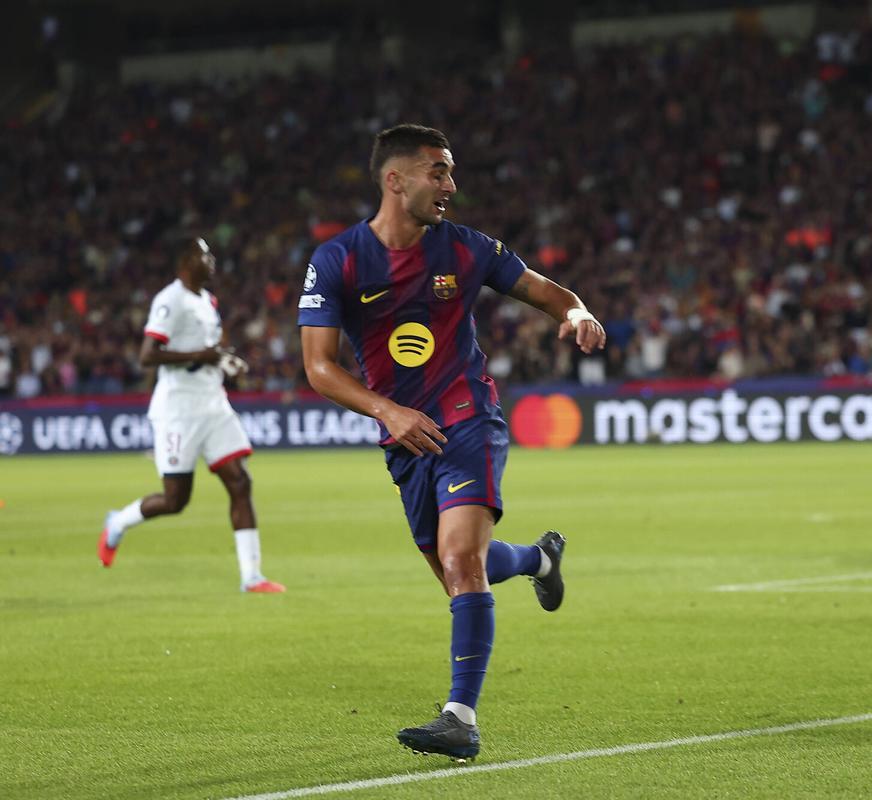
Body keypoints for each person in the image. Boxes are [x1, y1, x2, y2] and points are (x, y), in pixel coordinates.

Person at [298, 124, 605, 762]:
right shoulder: (339, 260)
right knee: (461, 568)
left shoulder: (465, 249)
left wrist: (574, 312)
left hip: (468, 419)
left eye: (450, 172)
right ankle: (540, 560)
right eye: (437, 172)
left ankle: (460, 718)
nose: (450, 185)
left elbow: (545, 292)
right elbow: (319, 367)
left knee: (462, 559)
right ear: (395, 179)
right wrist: (388, 412)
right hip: (405, 439)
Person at [98, 237, 285, 594]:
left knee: (240, 482)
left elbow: (206, 351)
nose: (212, 260)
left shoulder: (207, 301)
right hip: (179, 410)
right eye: (205, 255)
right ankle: (117, 522)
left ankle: (251, 577)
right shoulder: (170, 300)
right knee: (175, 500)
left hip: (213, 404)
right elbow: (147, 355)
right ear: (186, 261)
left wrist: (225, 359)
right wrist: (200, 356)